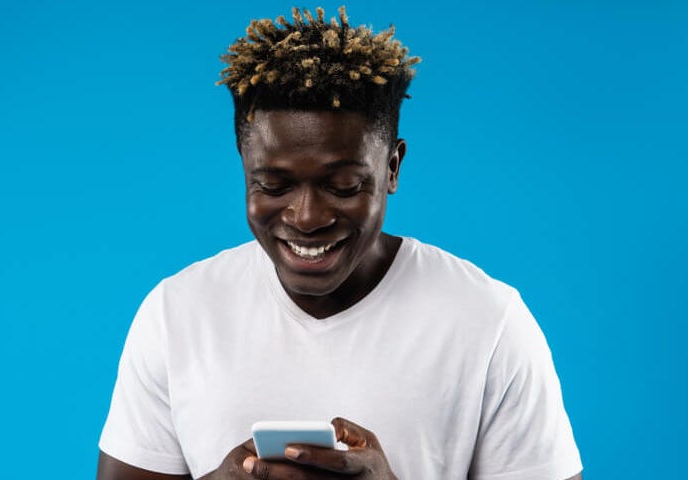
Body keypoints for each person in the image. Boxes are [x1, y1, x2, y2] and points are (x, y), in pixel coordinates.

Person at [96, 6, 583, 480]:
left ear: (392, 167)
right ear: (244, 162)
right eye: (273, 185)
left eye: (344, 186)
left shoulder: (488, 322)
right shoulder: (176, 314)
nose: (306, 218)